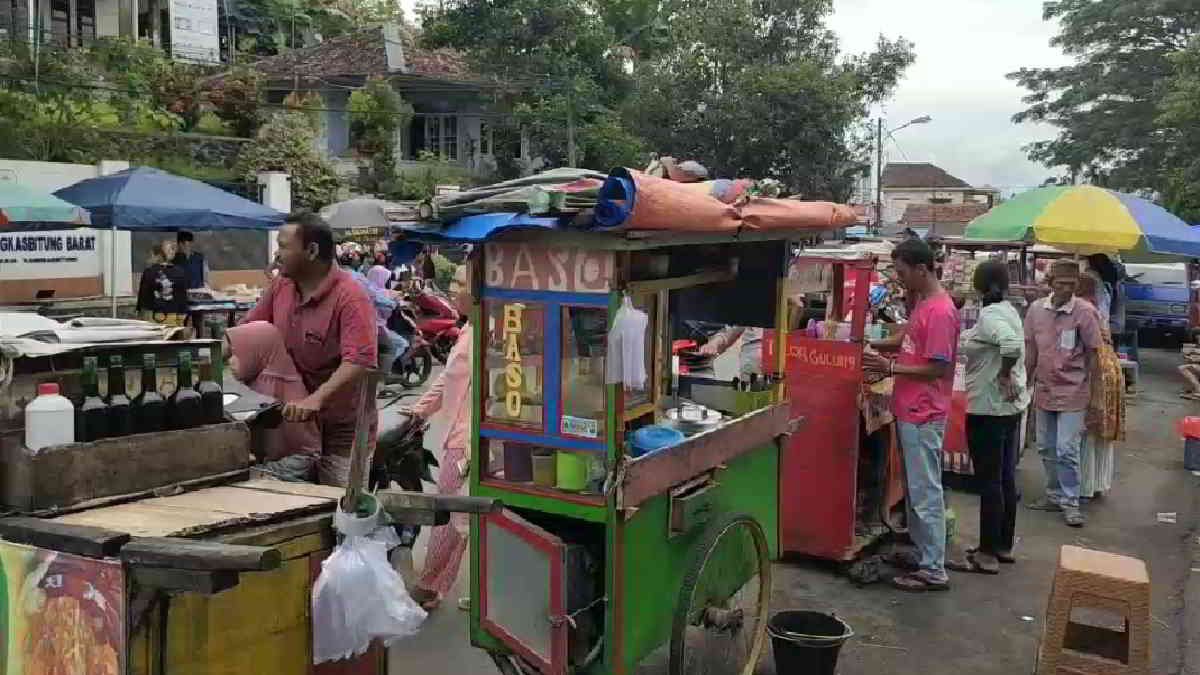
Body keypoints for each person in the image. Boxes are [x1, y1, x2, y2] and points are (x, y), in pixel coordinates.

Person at [240, 212, 378, 487]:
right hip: (293, 426)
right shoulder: (281, 286)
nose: (277, 255)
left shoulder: (350, 296)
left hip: (341, 431)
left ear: (312, 251)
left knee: (343, 515)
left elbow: (359, 361)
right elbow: (248, 330)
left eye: (283, 246)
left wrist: (315, 399)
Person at [863, 238, 960, 591]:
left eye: (902, 272)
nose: (900, 279)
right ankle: (925, 554)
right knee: (918, 488)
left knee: (924, 490)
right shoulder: (926, 304)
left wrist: (888, 368)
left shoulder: (939, 311)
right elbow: (908, 341)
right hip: (912, 409)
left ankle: (934, 568)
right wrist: (869, 344)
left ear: (921, 269)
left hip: (924, 411)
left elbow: (936, 367)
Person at [404, 263, 473, 611]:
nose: (455, 289)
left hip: (469, 442)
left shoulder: (490, 332)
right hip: (459, 435)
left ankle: (431, 586)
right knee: (463, 517)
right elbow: (447, 380)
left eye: (461, 282)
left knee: (449, 514)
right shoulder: (470, 329)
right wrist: (418, 411)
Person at [954, 260, 1029, 574]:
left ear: (979, 286)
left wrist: (1002, 374)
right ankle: (1001, 545)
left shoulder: (990, 315)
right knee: (1005, 478)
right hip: (1009, 409)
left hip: (989, 408)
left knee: (990, 481)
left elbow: (1010, 345)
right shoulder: (1009, 311)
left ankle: (986, 554)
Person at [1023, 259, 1104, 527]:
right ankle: (1054, 494)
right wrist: (1025, 380)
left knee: (1066, 448)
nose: (1066, 289)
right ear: (1050, 284)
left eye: (1071, 284)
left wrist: (1096, 396)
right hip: (1045, 388)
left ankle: (1071, 502)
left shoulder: (1085, 312)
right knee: (1045, 446)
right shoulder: (1036, 310)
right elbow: (1031, 348)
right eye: (1061, 283)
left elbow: (1094, 355)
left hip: (1074, 391)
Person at [225, 321, 321, 465]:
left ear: (255, 351)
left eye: (235, 354)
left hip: (295, 462)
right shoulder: (276, 370)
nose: (231, 362)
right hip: (297, 457)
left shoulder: (269, 383)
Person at [1076, 273, 1124, 500]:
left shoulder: (1082, 309)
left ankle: (1084, 484)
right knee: (1101, 431)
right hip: (1110, 366)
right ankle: (1097, 482)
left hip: (1096, 370)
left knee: (1088, 428)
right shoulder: (1097, 308)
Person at [136, 240, 189, 326]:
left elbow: (143, 296)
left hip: (151, 315)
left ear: (157, 255)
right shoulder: (180, 272)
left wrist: (140, 313)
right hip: (172, 315)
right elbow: (182, 296)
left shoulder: (149, 272)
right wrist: (182, 316)